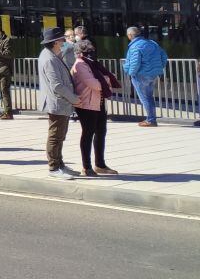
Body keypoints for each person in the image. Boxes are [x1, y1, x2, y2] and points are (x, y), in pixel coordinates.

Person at [37, 27, 81, 179]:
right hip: (57, 103)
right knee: (56, 136)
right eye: (62, 40)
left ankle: (59, 164)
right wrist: (74, 98)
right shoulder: (49, 59)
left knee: (60, 135)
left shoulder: (50, 55)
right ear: (55, 42)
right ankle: (54, 167)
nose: (64, 42)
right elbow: (57, 85)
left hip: (60, 102)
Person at [71, 39, 119, 177]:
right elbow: (95, 84)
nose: (91, 53)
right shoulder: (80, 65)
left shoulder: (93, 64)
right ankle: (87, 167)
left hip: (99, 101)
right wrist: (107, 80)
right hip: (86, 104)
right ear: (80, 53)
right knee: (88, 133)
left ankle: (100, 164)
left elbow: (105, 80)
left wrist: (105, 79)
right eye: (88, 51)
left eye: (92, 50)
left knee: (101, 132)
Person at [124, 26, 168, 127]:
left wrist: (130, 73)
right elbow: (164, 56)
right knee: (149, 97)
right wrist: (159, 67)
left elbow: (135, 63)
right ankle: (151, 118)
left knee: (145, 98)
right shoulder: (152, 43)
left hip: (140, 75)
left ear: (130, 35)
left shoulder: (135, 46)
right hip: (153, 75)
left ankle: (151, 120)